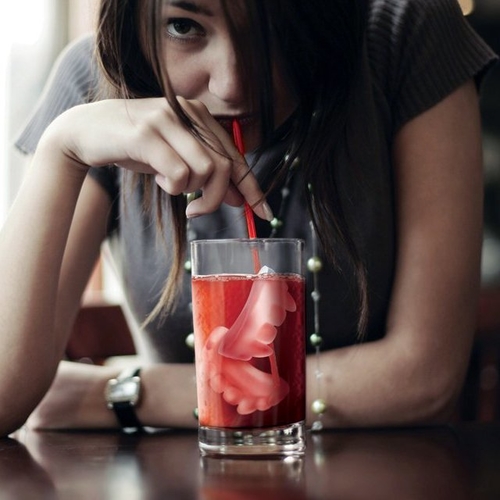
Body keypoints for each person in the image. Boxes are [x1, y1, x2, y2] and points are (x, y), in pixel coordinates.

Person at [0, 0, 497, 437]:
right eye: (184, 26)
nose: (233, 84)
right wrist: (60, 151)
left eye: (273, 31)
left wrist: (124, 393)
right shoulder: (96, 81)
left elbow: (425, 378)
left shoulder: (404, 32)